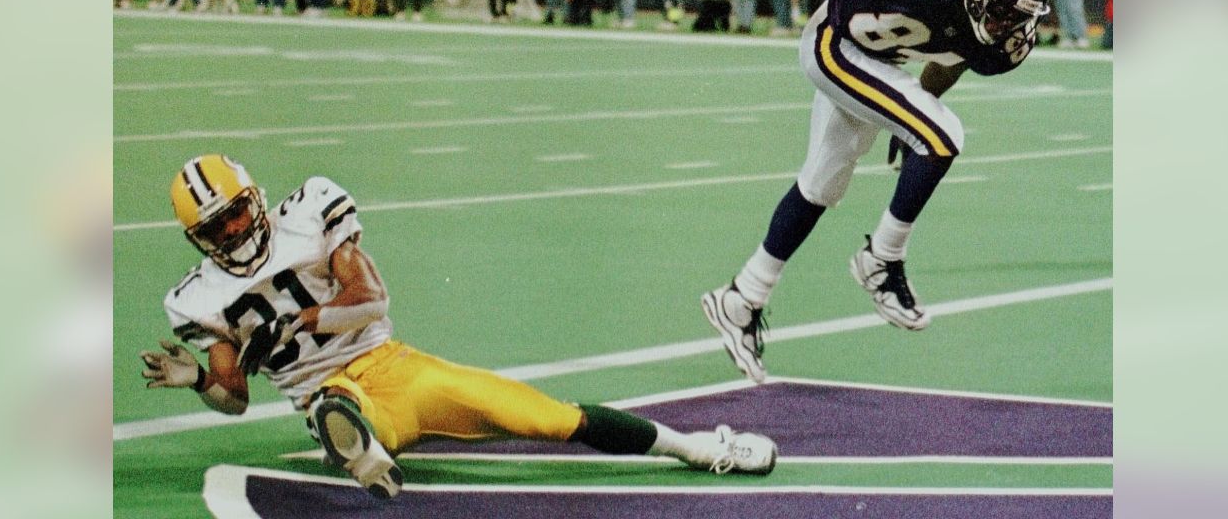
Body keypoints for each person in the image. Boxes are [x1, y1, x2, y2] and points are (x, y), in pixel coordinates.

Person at [139, 155, 777, 500]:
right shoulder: (198, 298)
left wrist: (303, 318)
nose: (231, 233)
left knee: (551, 420)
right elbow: (235, 399)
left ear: (255, 197)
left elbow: (370, 300)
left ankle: (699, 447)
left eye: (234, 215)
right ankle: (355, 441)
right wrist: (200, 377)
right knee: (336, 405)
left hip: (394, 366)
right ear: (197, 238)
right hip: (326, 390)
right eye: (214, 229)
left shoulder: (309, 210)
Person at [693, 0, 1052, 383]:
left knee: (822, 184)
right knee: (946, 133)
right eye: (1003, 15)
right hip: (834, 44)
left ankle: (742, 297)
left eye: (1019, 20)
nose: (1009, 29)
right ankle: (882, 260)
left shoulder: (1001, 42)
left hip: (878, 63)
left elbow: (954, 57)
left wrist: (915, 115)